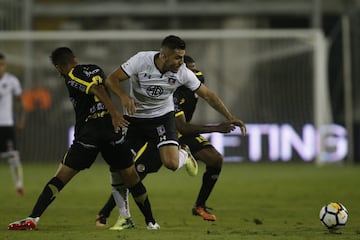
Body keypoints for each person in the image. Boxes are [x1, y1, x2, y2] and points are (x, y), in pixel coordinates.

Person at [7, 47, 158, 230]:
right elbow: (104, 86)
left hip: (90, 133)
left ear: (59, 67)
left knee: (60, 177)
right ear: (74, 58)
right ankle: (151, 222)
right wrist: (112, 116)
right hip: (112, 132)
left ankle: (33, 218)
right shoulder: (96, 68)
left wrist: (115, 114)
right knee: (131, 177)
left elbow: (97, 91)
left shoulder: (72, 76)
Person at [96, 52, 246, 228]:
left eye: (194, 69)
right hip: (167, 133)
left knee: (215, 159)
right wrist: (216, 128)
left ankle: (199, 205)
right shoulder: (172, 94)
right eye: (190, 69)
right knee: (135, 173)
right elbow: (182, 127)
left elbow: (209, 96)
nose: (195, 73)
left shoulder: (191, 85)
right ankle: (106, 212)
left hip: (181, 134)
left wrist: (229, 117)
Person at [105, 35, 246, 178]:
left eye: (183, 57)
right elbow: (111, 79)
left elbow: (208, 95)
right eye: (178, 57)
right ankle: (123, 200)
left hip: (162, 118)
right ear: (164, 56)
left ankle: (184, 152)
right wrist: (123, 97)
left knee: (172, 164)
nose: (181, 62)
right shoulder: (141, 60)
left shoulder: (183, 73)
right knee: (120, 167)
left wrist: (230, 116)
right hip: (134, 118)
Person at [0, 53, 26, 196]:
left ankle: (19, 185)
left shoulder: (12, 81)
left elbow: (20, 101)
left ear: (5, 65)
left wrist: (21, 119)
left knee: (14, 156)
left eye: (1, 64)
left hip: (7, 124)